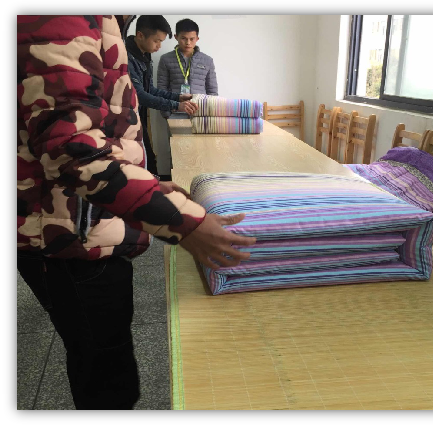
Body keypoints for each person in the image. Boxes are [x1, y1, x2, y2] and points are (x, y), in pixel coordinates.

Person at [17, 14, 256, 410]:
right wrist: (185, 222)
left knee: (104, 355)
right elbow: (71, 149)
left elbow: (90, 129)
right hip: (69, 233)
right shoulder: (68, 18)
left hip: (85, 220)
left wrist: (146, 183)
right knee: (105, 372)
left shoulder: (105, 23)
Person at [125, 15, 198, 180]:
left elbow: (150, 89)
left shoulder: (145, 55)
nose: (159, 46)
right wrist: (176, 105)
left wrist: (178, 97)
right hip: (127, 120)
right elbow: (139, 95)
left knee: (149, 161)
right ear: (140, 35)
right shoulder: (126, 58)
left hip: (139, 116)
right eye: (156, 41)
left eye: (161, 41)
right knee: (142, 163)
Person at [157, 18, 218, 121]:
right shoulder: (165, 59)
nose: (188, 43)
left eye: (192, 39)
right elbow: (161, 88)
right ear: (176, 37)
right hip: (175, 113)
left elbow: (212, 90)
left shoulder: (207, 60)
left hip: (201, 114)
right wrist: (167, 113)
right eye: (183, 38)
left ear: (197, 38)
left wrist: (210, 113)